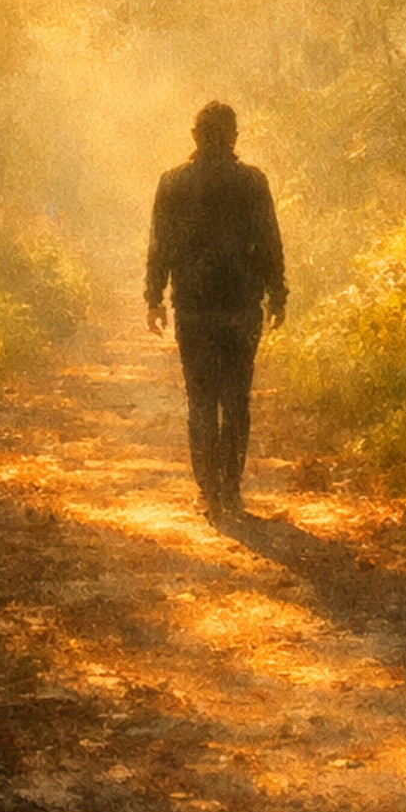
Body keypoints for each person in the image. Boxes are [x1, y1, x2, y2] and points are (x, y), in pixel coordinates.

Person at [145, 101, 288, 520]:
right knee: (236, 398)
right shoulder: (252, 182)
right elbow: (269, 243)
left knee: (201, 398)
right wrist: (277, 294)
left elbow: (160, 247)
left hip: (193, 308)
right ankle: (231, 488)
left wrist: (154, 298)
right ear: (234, 137)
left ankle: (208, 489)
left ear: (194, 136)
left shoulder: (172, 183)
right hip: (242, 308)